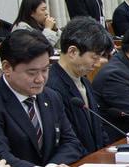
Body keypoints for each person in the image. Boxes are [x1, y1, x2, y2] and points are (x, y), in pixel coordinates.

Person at [0, 30, 84, 167]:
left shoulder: (51, 96)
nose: (40, 79)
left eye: (45, 70)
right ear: (7, 67)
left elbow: (71, 142)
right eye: (32, 73)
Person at [49, 18, 115, 154]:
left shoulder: (84, 81)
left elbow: (98, 127)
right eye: (94, 58)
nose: (97, 64)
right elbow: (66, 139)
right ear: (73, 52)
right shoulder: (52, 87)